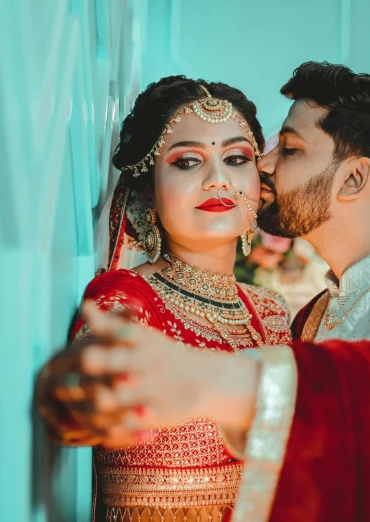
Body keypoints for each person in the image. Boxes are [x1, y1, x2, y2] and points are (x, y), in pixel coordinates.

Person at [41, 63, 370, 522]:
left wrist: (202, 380)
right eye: (190, 161)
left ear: (353, 178)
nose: (263, 165)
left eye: (288, 150)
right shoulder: (312, 318)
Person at [37, 76, 294, 522]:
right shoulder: (127, 300)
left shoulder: (271, 313)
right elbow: (90, 381)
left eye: (236, 158)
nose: (217, 180)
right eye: (188, 162)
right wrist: (90, 397)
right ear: (147, 193)